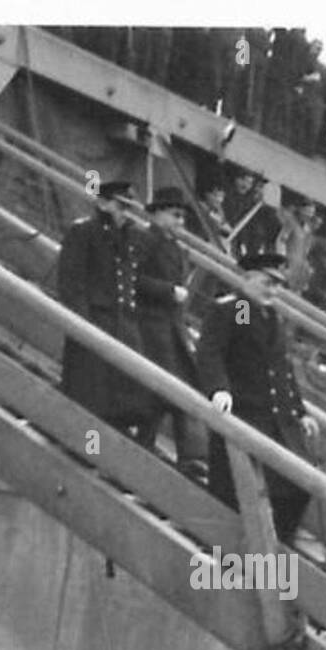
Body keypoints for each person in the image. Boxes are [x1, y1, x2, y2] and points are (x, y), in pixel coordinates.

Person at [196, 250, 320, 547]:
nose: (273, 290)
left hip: (277, 420)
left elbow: (282, 368)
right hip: (246, 414)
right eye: (267, 282)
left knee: (298, 486)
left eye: (277, 285)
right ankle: (239, 554)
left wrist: (300, 411)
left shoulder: (270, 315)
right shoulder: (234, 309)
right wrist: (218, 389)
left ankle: (277, 547)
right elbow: (211, 353)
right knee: (236, 491)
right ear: (248, 278)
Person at [56, 179, 157, 445]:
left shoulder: (128, 238)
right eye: (120, 206)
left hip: (122, 325)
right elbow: (71, 283)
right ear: (103, 203)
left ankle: (108, 452)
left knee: (123, 398)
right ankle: (85, 449)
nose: (126, 214)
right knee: (90, 395)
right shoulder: (84, 232)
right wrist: (84, 324)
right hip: (95, 322)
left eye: (128, 208)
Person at [137, 186, 208, 480]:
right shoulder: (145, 240)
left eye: (183, 217)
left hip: (172, 328)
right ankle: (148, 442)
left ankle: (190, 455)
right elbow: (132, 278)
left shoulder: (176, 248)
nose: (180, 222)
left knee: (179, 389)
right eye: (175, 215)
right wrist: (168, 291)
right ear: (156, 214)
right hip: (151, 325)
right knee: (163, 389)